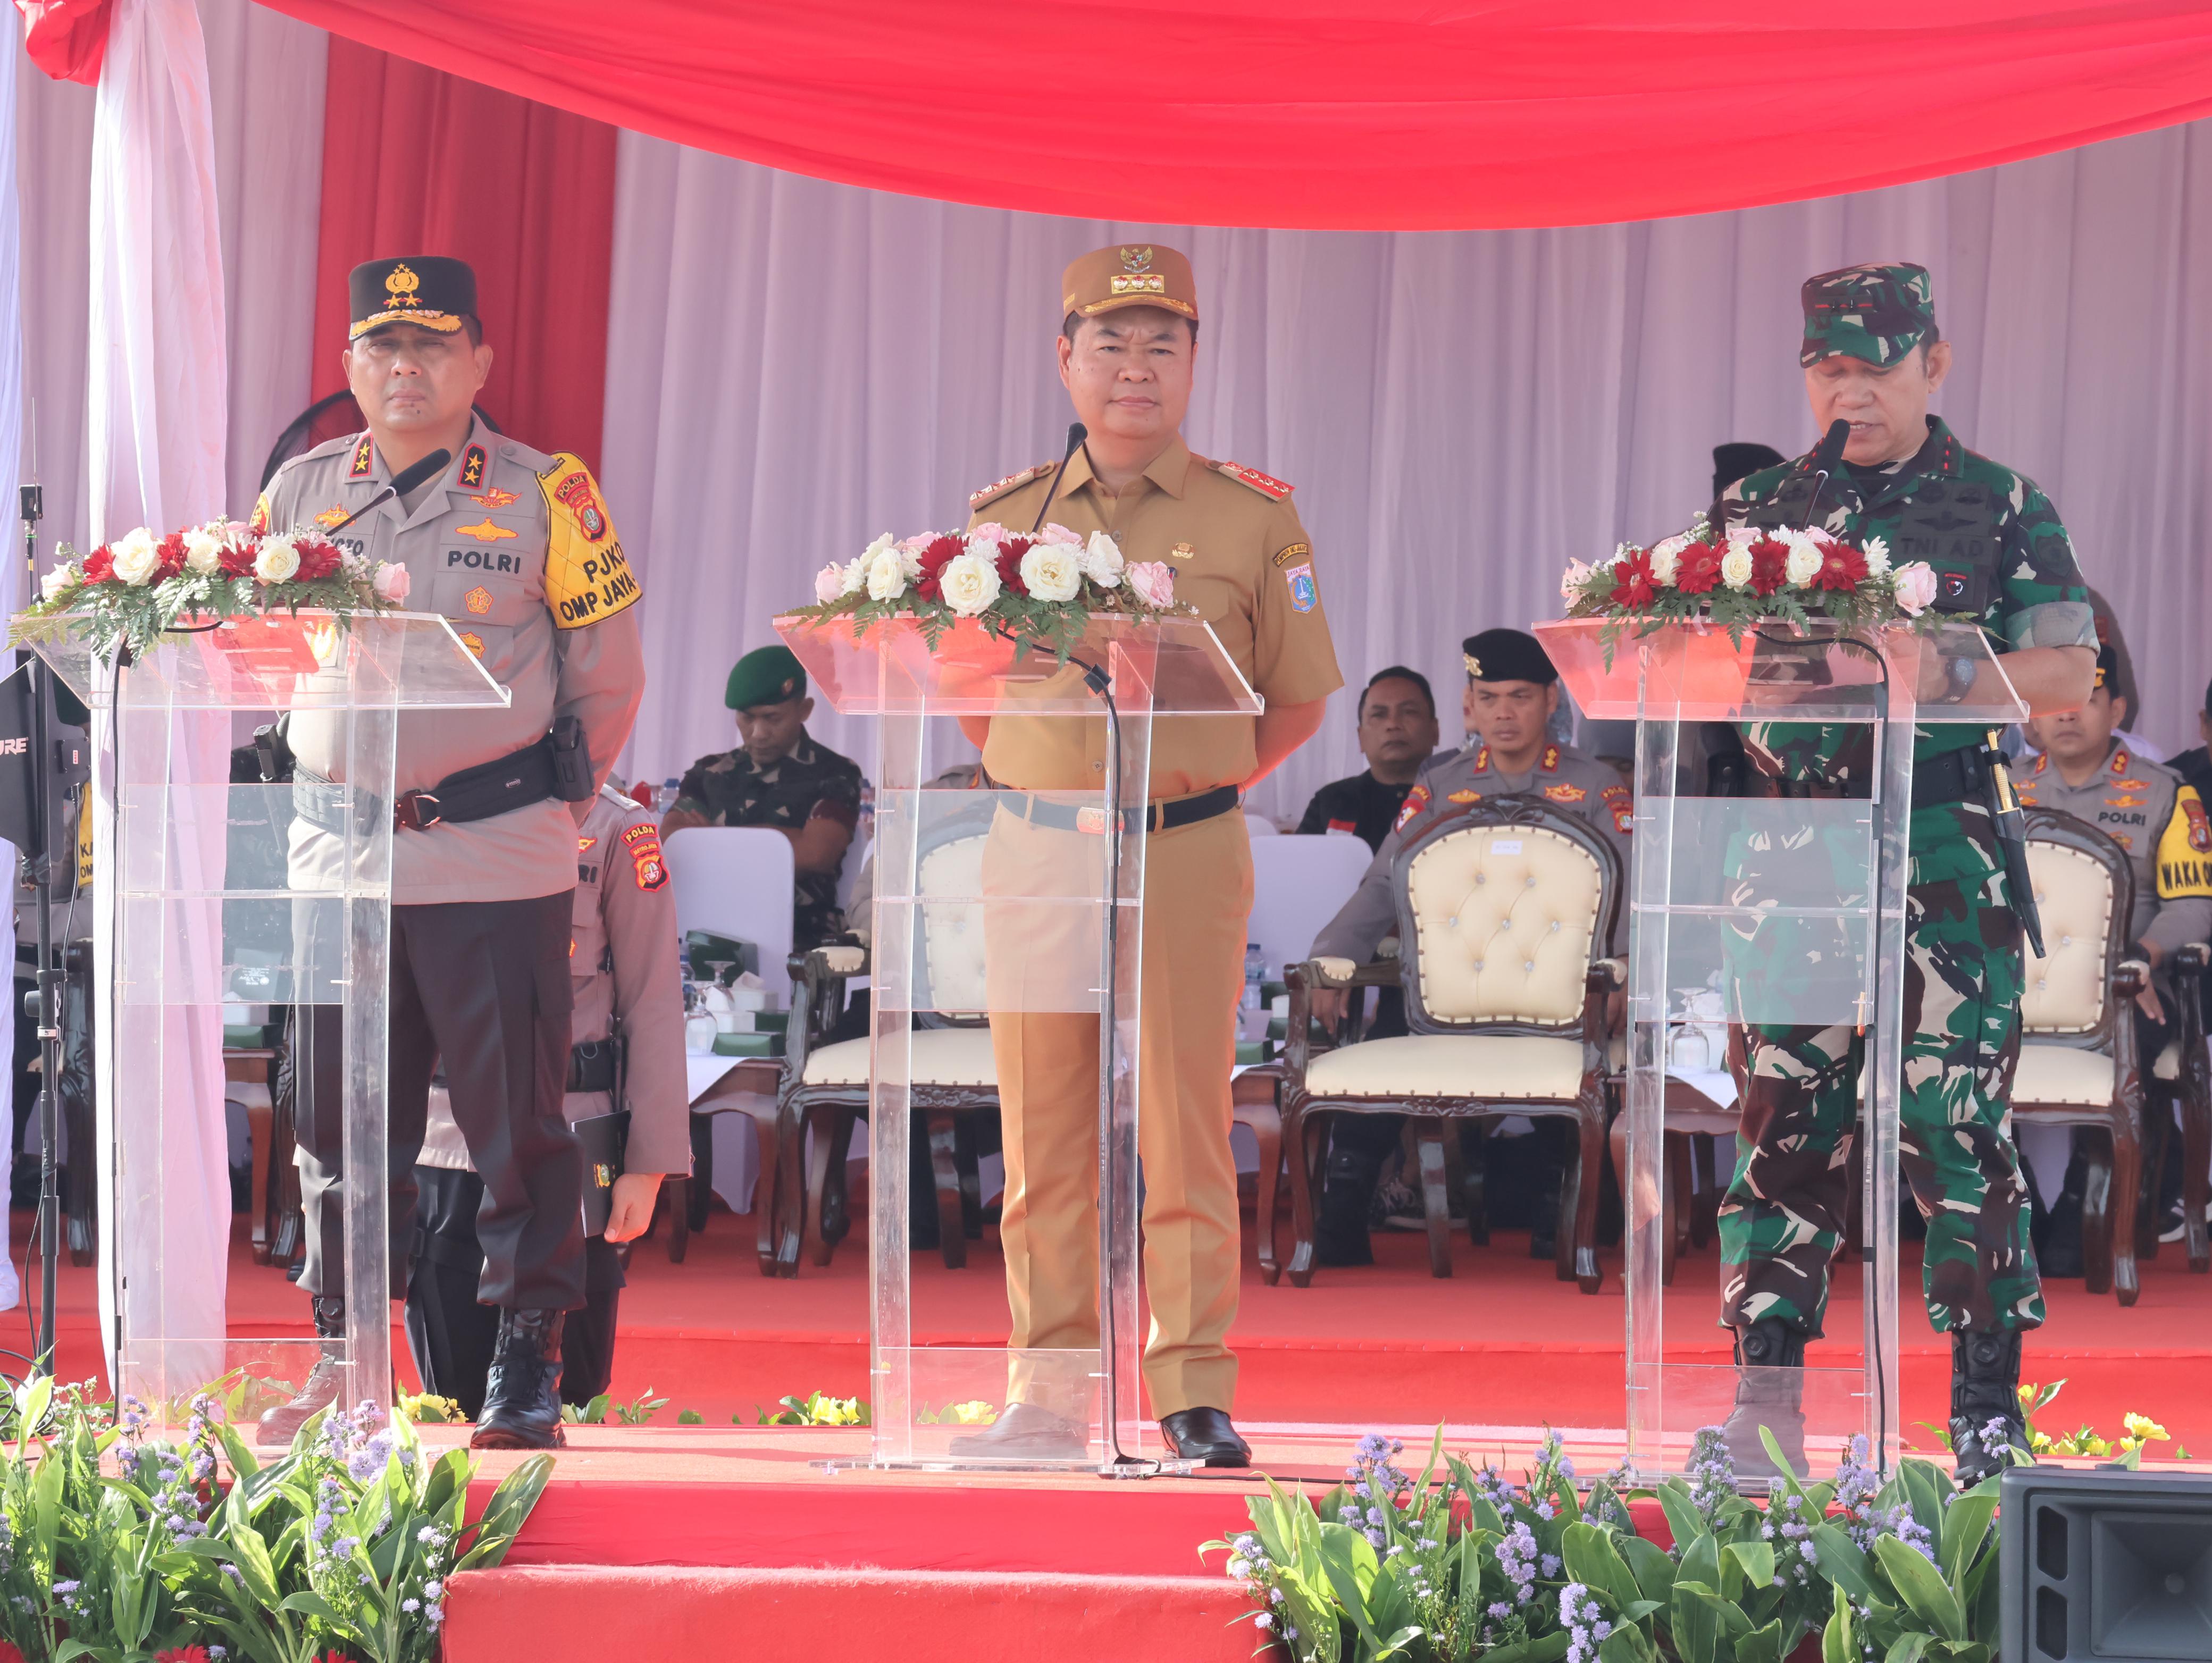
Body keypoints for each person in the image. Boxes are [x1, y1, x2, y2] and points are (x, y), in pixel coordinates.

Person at [946, 243, 1340, 1467]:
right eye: (1109, 343)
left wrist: (1184, 783)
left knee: (1182, 1114)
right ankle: (1050, 1384)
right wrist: (1061, 778)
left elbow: (1294, 701)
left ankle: (1191, 1386)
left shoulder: (1254, 516)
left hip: (1181, 844)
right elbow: (971, 694)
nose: (1134, 367)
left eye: (1161, 341)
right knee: (1045, 1120)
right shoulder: (1004, 520)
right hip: (1037, 844)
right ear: (1064, 358)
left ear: (1194, 360)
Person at [1708, 261, 2096, 1481]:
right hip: (1796, 841)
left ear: (1933, 362)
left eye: (1874, 366)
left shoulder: (1999, 502)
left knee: (1953, 1120)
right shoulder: (1764, 505)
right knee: (1783, 1122)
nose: (1851, 388)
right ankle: (1765, 1403)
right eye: (1829, 367)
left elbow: (2064, 676)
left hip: (1945, 843)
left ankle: (1985, 1400)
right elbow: (1722, 665)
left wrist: (1909, 666)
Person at [250, 256, 645, 1450]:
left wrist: (533, 808)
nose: (405, 367)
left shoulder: (545, 493)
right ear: (349, 368)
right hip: (338, 863)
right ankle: (345, 1351)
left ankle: (525, 1360)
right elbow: (262, 659)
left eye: (431, 345)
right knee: (331, 1118)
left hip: (490, 856)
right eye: (382, 347)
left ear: (479, 361)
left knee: (517, 1122)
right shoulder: (301, 491)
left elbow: (609, 679)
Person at [1304, 629, 1634, 1266]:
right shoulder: (1440, 785)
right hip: (1448, 997)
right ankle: (1341, 1201)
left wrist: (1622, 968)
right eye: (1488, 698)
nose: (1503, 713)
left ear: (1550, 700)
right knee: (1384, 1037)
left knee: (1584, 1061)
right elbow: (1381, 882)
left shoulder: (1593, 787)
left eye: (1519, 696)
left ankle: (1566, 1196)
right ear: (1467, 707)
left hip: (1563, 997)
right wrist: (1331, 955)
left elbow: (1629, 888)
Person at [404, 782, 691, 1416]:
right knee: (449, 1395)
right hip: (448, 1142)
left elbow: (653, 999)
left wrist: (648, 1160)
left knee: (570, 1393)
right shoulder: (424, 810)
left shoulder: (618, 827)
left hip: (573, 1137)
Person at [2013, 645, 2212, 1270]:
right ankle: (2012, 1197)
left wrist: (2138, 960)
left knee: (2141, 1030)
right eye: (2054, 706)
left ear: (2116, 709)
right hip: (2015, 987)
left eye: (2087, 700)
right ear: (2028, 720)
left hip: (2129, 983)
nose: (2068, 716)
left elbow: (2195, 902)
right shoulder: (2001, 791)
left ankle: (2087, 1195)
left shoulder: (2166, 794)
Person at [663, 645, 865, 948]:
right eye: (747, 718)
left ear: (805, 710)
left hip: (801, 940)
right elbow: (672, 844)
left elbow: (816, 854)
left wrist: (711, 840)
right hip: (710, 929)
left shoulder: (836, 773)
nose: (758, 733)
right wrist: (781, 841)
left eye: (772, 718)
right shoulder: (709, 771)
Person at [1295, 668, 1440, 851]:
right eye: (1379, 715)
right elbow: (1299, 872)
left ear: (1435, 731)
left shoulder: (1460, 797)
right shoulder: (1331, 802)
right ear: (1361, 737)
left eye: (1409, 712)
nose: (1393, 724)